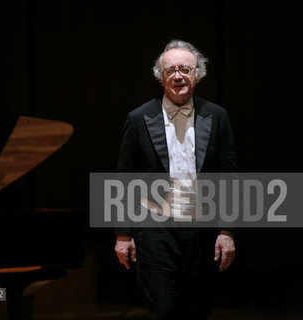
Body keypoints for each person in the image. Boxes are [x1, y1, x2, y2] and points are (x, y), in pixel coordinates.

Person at [114, 39, 236, 320]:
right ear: (161, 77)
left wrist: (227, 231)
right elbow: (123, 177)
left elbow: (229, 176)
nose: (178, 76)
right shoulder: (139, 117)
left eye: (184, 69)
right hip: (156, 228)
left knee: (199, 307)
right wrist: (123, 234)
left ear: (197, 74)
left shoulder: (217, 116)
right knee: (164, 307)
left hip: (203, 228)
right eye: (170, 70)